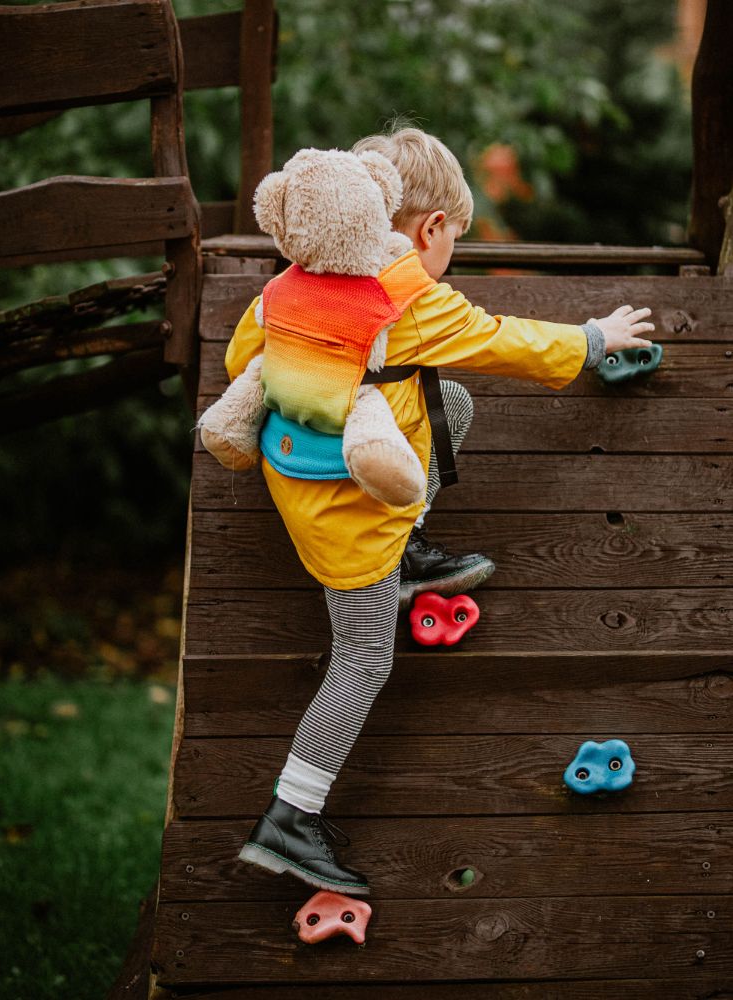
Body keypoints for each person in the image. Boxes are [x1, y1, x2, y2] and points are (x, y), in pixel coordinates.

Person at [232, 126, 655, 896]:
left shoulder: (296, 277)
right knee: (364, 660)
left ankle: (410, 553)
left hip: (295, 470)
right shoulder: (407, 297)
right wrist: (594, 339)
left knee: (446, 400)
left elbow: (242, 362)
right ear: (428, 229)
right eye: (454, 238)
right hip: (345, 516)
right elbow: (502, 340)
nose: (449, 251)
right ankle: (289, 818)